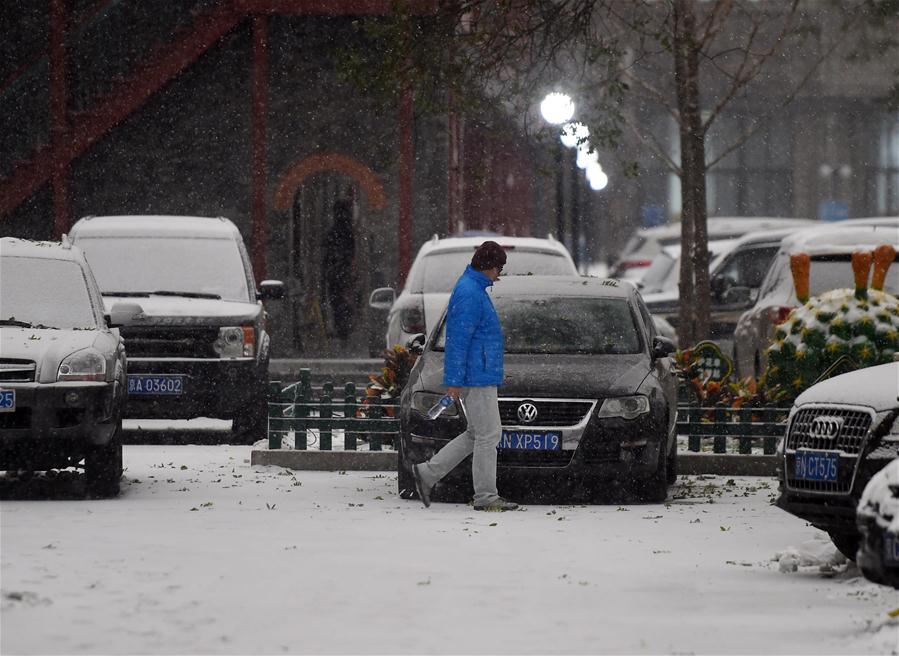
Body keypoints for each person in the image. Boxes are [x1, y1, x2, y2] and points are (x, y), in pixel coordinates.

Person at [411, 241, 519, 512]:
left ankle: (427, 473)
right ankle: (485, 496)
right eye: (499, 268)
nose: (499, 275)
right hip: (477, 376)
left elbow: (462, 339)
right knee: (489, 435)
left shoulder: (471, 289)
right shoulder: (470, 292)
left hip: (477, 373)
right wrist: (455, 382)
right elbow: (458, 341)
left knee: (477, 434)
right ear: (489, 266)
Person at [322, 199, 357, 342]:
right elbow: (351, 251)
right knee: (341, 301)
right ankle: (343, 329)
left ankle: (342, 328)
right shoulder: (347, 231)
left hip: (337, 272)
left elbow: (328, 252)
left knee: (337, 301)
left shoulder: (335, 232)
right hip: (342, 272)